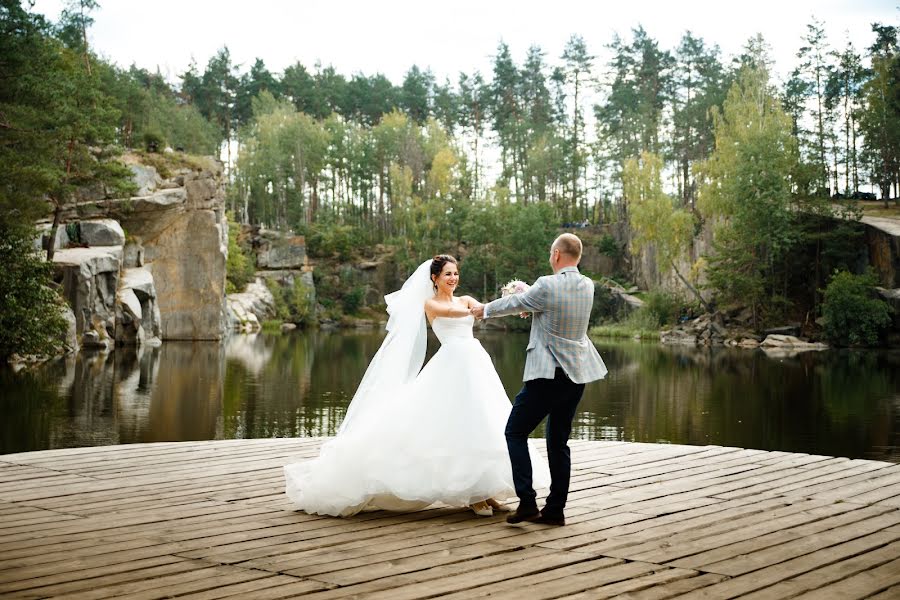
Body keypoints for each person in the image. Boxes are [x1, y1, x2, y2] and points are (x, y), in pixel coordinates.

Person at [283, 255, 549, 517]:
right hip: (452, 366)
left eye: (456, 273)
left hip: (476, 364)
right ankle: (473, 496)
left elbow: (483, 310)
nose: (453, 278)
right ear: (435, 278)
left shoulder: (466, 299)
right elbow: (457, 313)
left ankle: (487, 493)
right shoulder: (431, 304)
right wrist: (485, 309)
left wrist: (516, 299)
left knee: (483, 421)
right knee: (456, 425)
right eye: (448, 274)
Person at [471, 233, 607, 526]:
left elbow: (519, 301)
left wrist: (485, 310)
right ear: (578, 257)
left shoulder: (547, 284)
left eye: (550, 253)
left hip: (547, 373)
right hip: (576, 375)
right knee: (559, 442)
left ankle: (528, 502)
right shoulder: (587, 285)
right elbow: (540, 305)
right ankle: (555, 510)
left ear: (557, 254)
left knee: (515, 432)